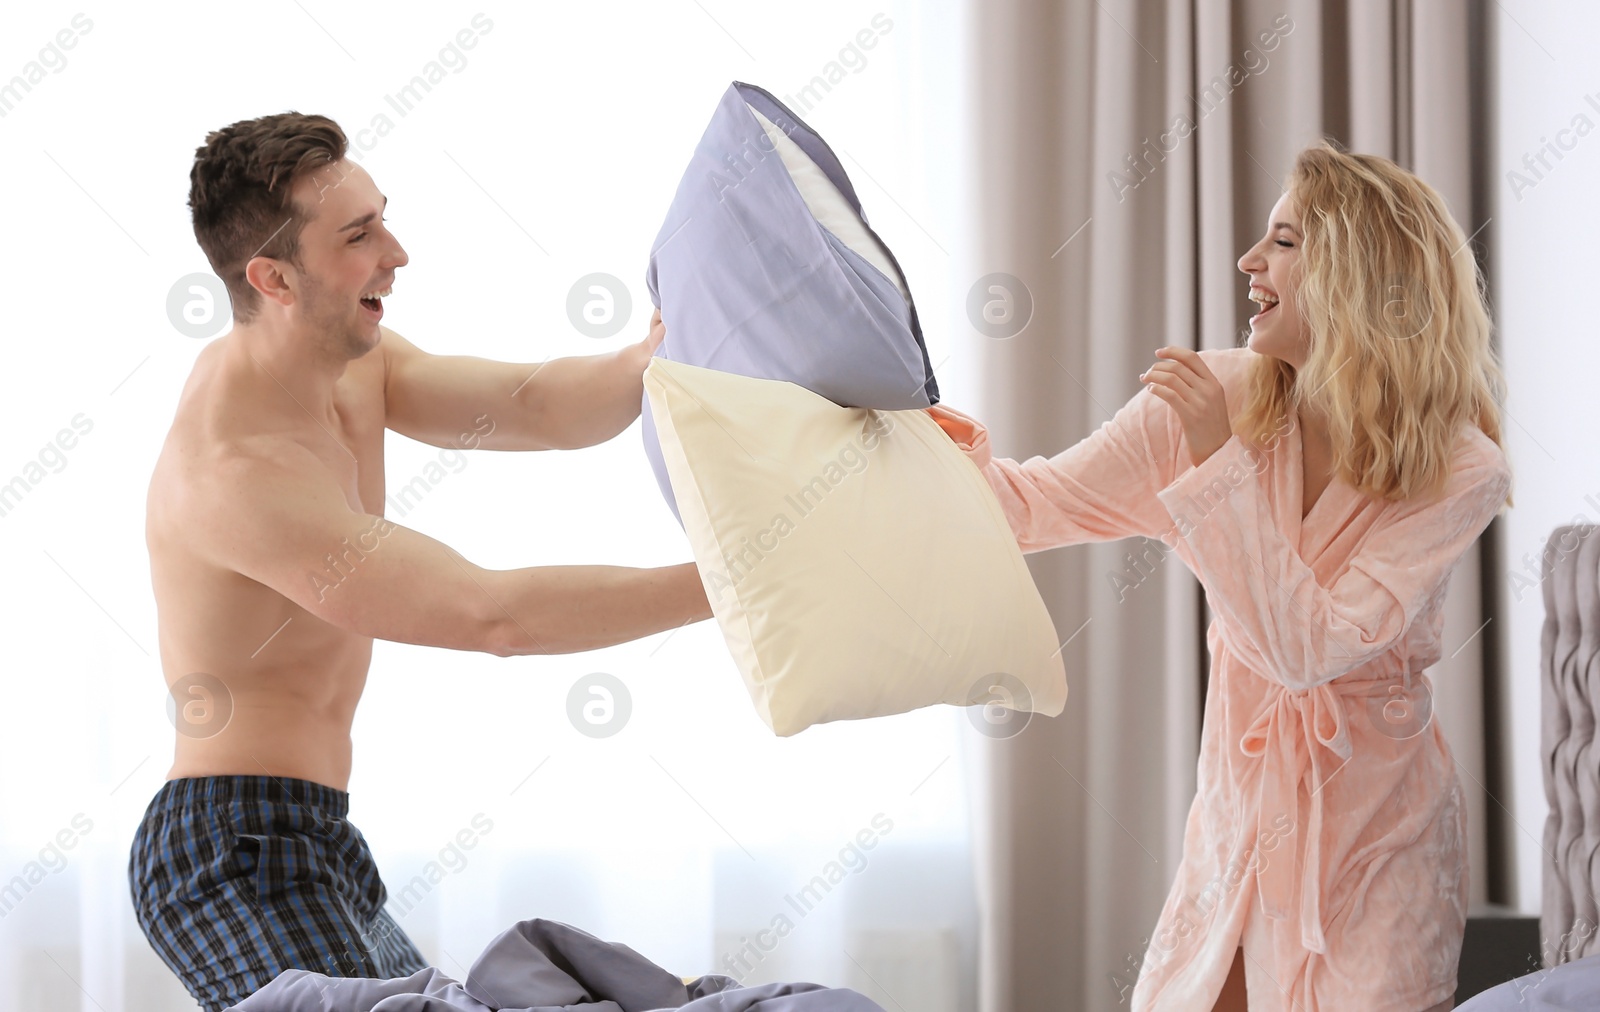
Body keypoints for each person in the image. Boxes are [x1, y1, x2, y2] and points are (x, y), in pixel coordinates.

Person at [128, 112, 712, 1012]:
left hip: (319, 834)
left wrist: (655, 357)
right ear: (274, 277)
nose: (397, 253)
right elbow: (494, 616)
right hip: (225, 848)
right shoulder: (234, 474)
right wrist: (739, 582)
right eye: (359, 237)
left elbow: (541, 409)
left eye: (382, 219)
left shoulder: (349, 365)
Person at [929, 140, 1514, 1011]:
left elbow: (1308, 650)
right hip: (1242, 818)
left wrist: (1216, 462)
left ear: (1356, 270)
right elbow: (1028, 506)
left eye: (1283, 241)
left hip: (1379, 840)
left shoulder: (1459, 467)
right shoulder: (1217, 395)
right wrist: (916, 430)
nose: (1249, 261)